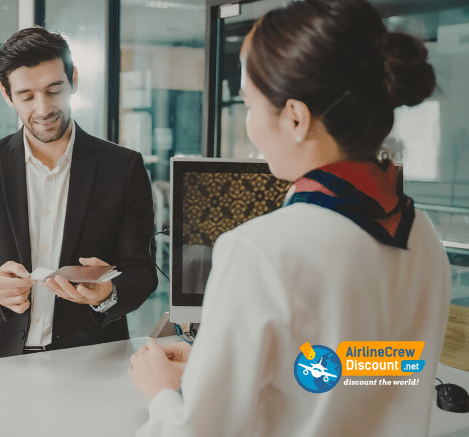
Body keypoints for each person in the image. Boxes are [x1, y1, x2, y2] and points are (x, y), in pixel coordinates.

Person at [129, 0, 451, 435]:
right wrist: (236, 370)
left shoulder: (260, 250)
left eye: (249, 104)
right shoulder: (422, 236)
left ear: (296, 117)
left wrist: (162, 393)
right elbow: (374, 371)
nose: (249, 125)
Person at [0, 26, 158, 362]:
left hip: (92, 360)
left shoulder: (123, 167)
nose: (42, 109)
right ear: (6, 93)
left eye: (54, 90)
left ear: (73, 79)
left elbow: (142, 273)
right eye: (26, 96)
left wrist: (108, 293)